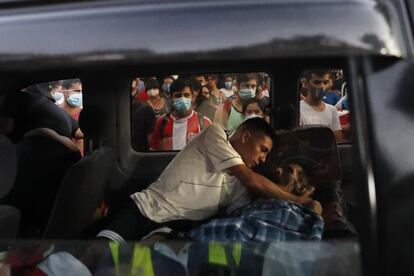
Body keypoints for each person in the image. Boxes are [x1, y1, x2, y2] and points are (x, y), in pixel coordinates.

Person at [97, 118, 317, 241]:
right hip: (144, 208)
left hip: (176, 226)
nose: (263, 159)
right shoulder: (215, 134)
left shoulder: (241, 189)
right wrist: (299, 201)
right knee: (100, 252)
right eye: (262, 150)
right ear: (246, 136)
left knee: (139, 263)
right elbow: (249, 178)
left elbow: (236, 216)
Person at [189, 163, 324, 242]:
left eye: (288, 171)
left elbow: (236, 230)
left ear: (302, 188)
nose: (277, 170)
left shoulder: (289, 212)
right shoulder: (243, 206)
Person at [149, 78, 212, 151]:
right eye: (178, 95)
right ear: (171, 97)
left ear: (193, 97)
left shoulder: (205, 123)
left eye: (186, 95)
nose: (183, 99)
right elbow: (153, 150)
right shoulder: (161, 122)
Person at [299, 70, 343, 142]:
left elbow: (338, 141)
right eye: (317, 82)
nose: (322, 86)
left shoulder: (332, 110)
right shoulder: (299, 109)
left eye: (325, 82)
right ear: (306, 84)